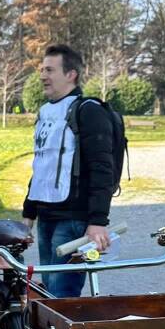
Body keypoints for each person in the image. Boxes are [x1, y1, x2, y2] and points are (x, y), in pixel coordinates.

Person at [23, 44, 115, 298]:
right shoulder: (46, 113)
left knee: (61, 295)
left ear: (70, 74)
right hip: (47, 216)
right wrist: (29, 212)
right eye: (42, 69)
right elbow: (42, 164)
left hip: (74, 219)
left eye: (50, 70)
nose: (43, 76)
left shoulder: (89, 112)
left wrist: (97, 221)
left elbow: (102, 169)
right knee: (49, 292)